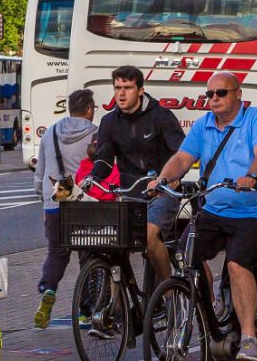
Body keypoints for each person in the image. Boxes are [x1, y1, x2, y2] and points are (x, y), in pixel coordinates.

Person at [150, 70, 257, 361]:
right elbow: (183, 158)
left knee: (236, 263)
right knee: (185, 255)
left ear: (238, 94)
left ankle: (248, 338)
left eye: (221, 93)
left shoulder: (255, 118)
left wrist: (251, 175)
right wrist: (162, 179)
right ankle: (212, 305)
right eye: (209, 94)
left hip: (254, 211)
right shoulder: (203, 125)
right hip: (214, 208)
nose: (214, 99)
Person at [87, 64, 187, 284]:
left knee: (150, 236)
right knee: (112, 245)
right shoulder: (109, 122)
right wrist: (92, 178)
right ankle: (119, 302)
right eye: (117, 88)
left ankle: (167, 289)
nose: (121, 94)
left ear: (140, 90)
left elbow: (182, 154)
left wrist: (166, 180)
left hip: (162, 193)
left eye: (128, 88)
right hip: (131, 195)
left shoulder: (161, 116)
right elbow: (104, 158)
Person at [33, 87, 98, 328]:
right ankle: (86, 308)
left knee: (56, 254)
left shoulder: (50, 133)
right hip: (84, 203)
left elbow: (40, 175)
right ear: (89, 110)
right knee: (88, 255)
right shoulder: (95, 134)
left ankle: (48, 289)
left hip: (54, 201)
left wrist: (44, 201)